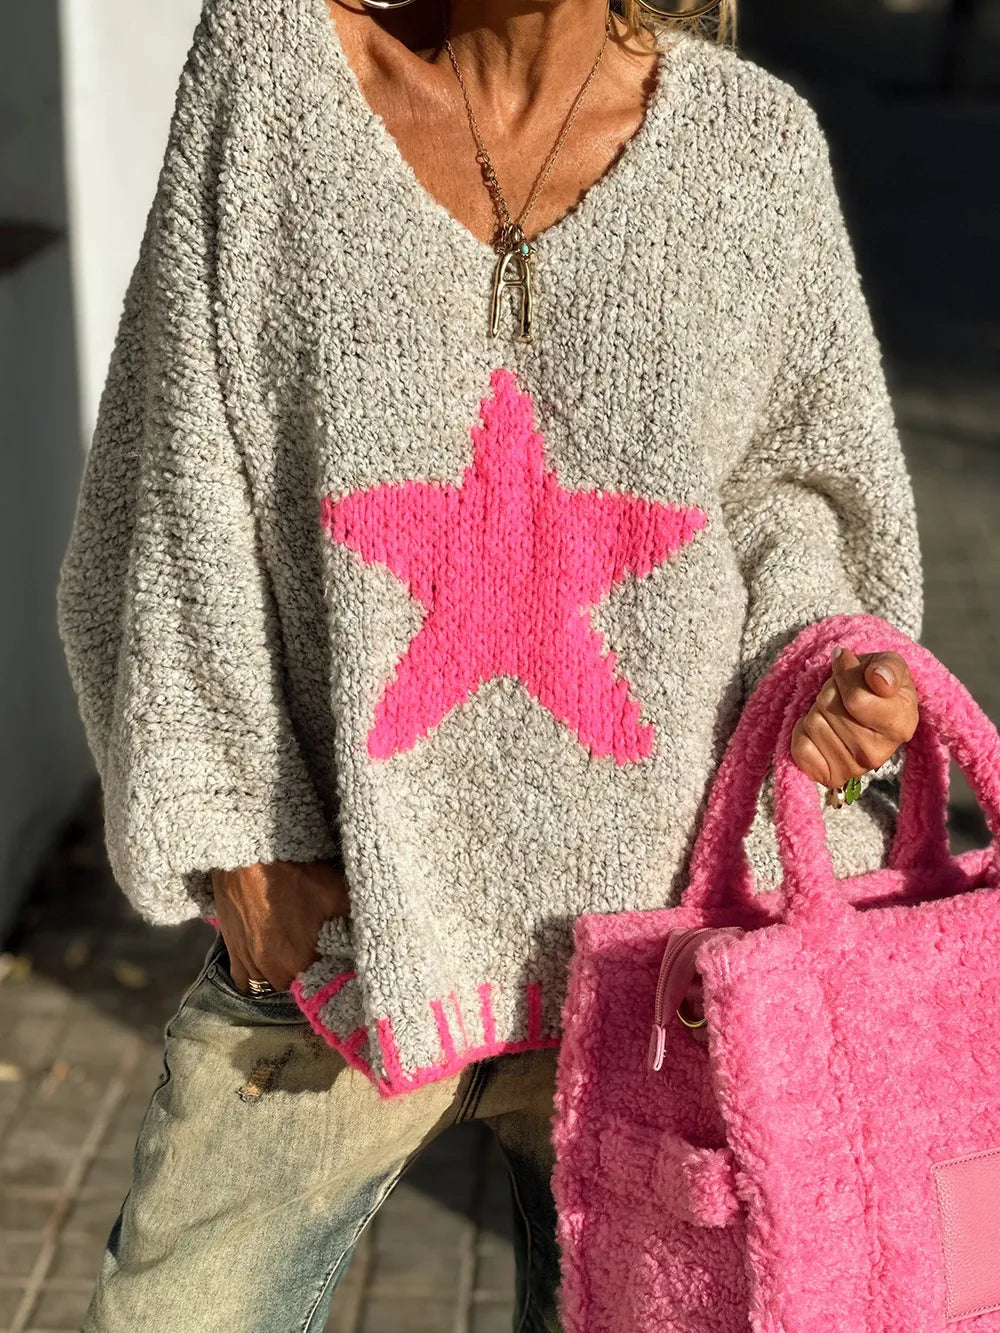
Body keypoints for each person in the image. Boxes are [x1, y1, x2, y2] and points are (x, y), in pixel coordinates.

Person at [55, 0, 921, 1327]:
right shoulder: (272, 75)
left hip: (661, 964)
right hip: (337, 931)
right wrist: (235, 838)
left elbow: (795, 501)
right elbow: (170, 474)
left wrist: (821, 684)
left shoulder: (756, 154)